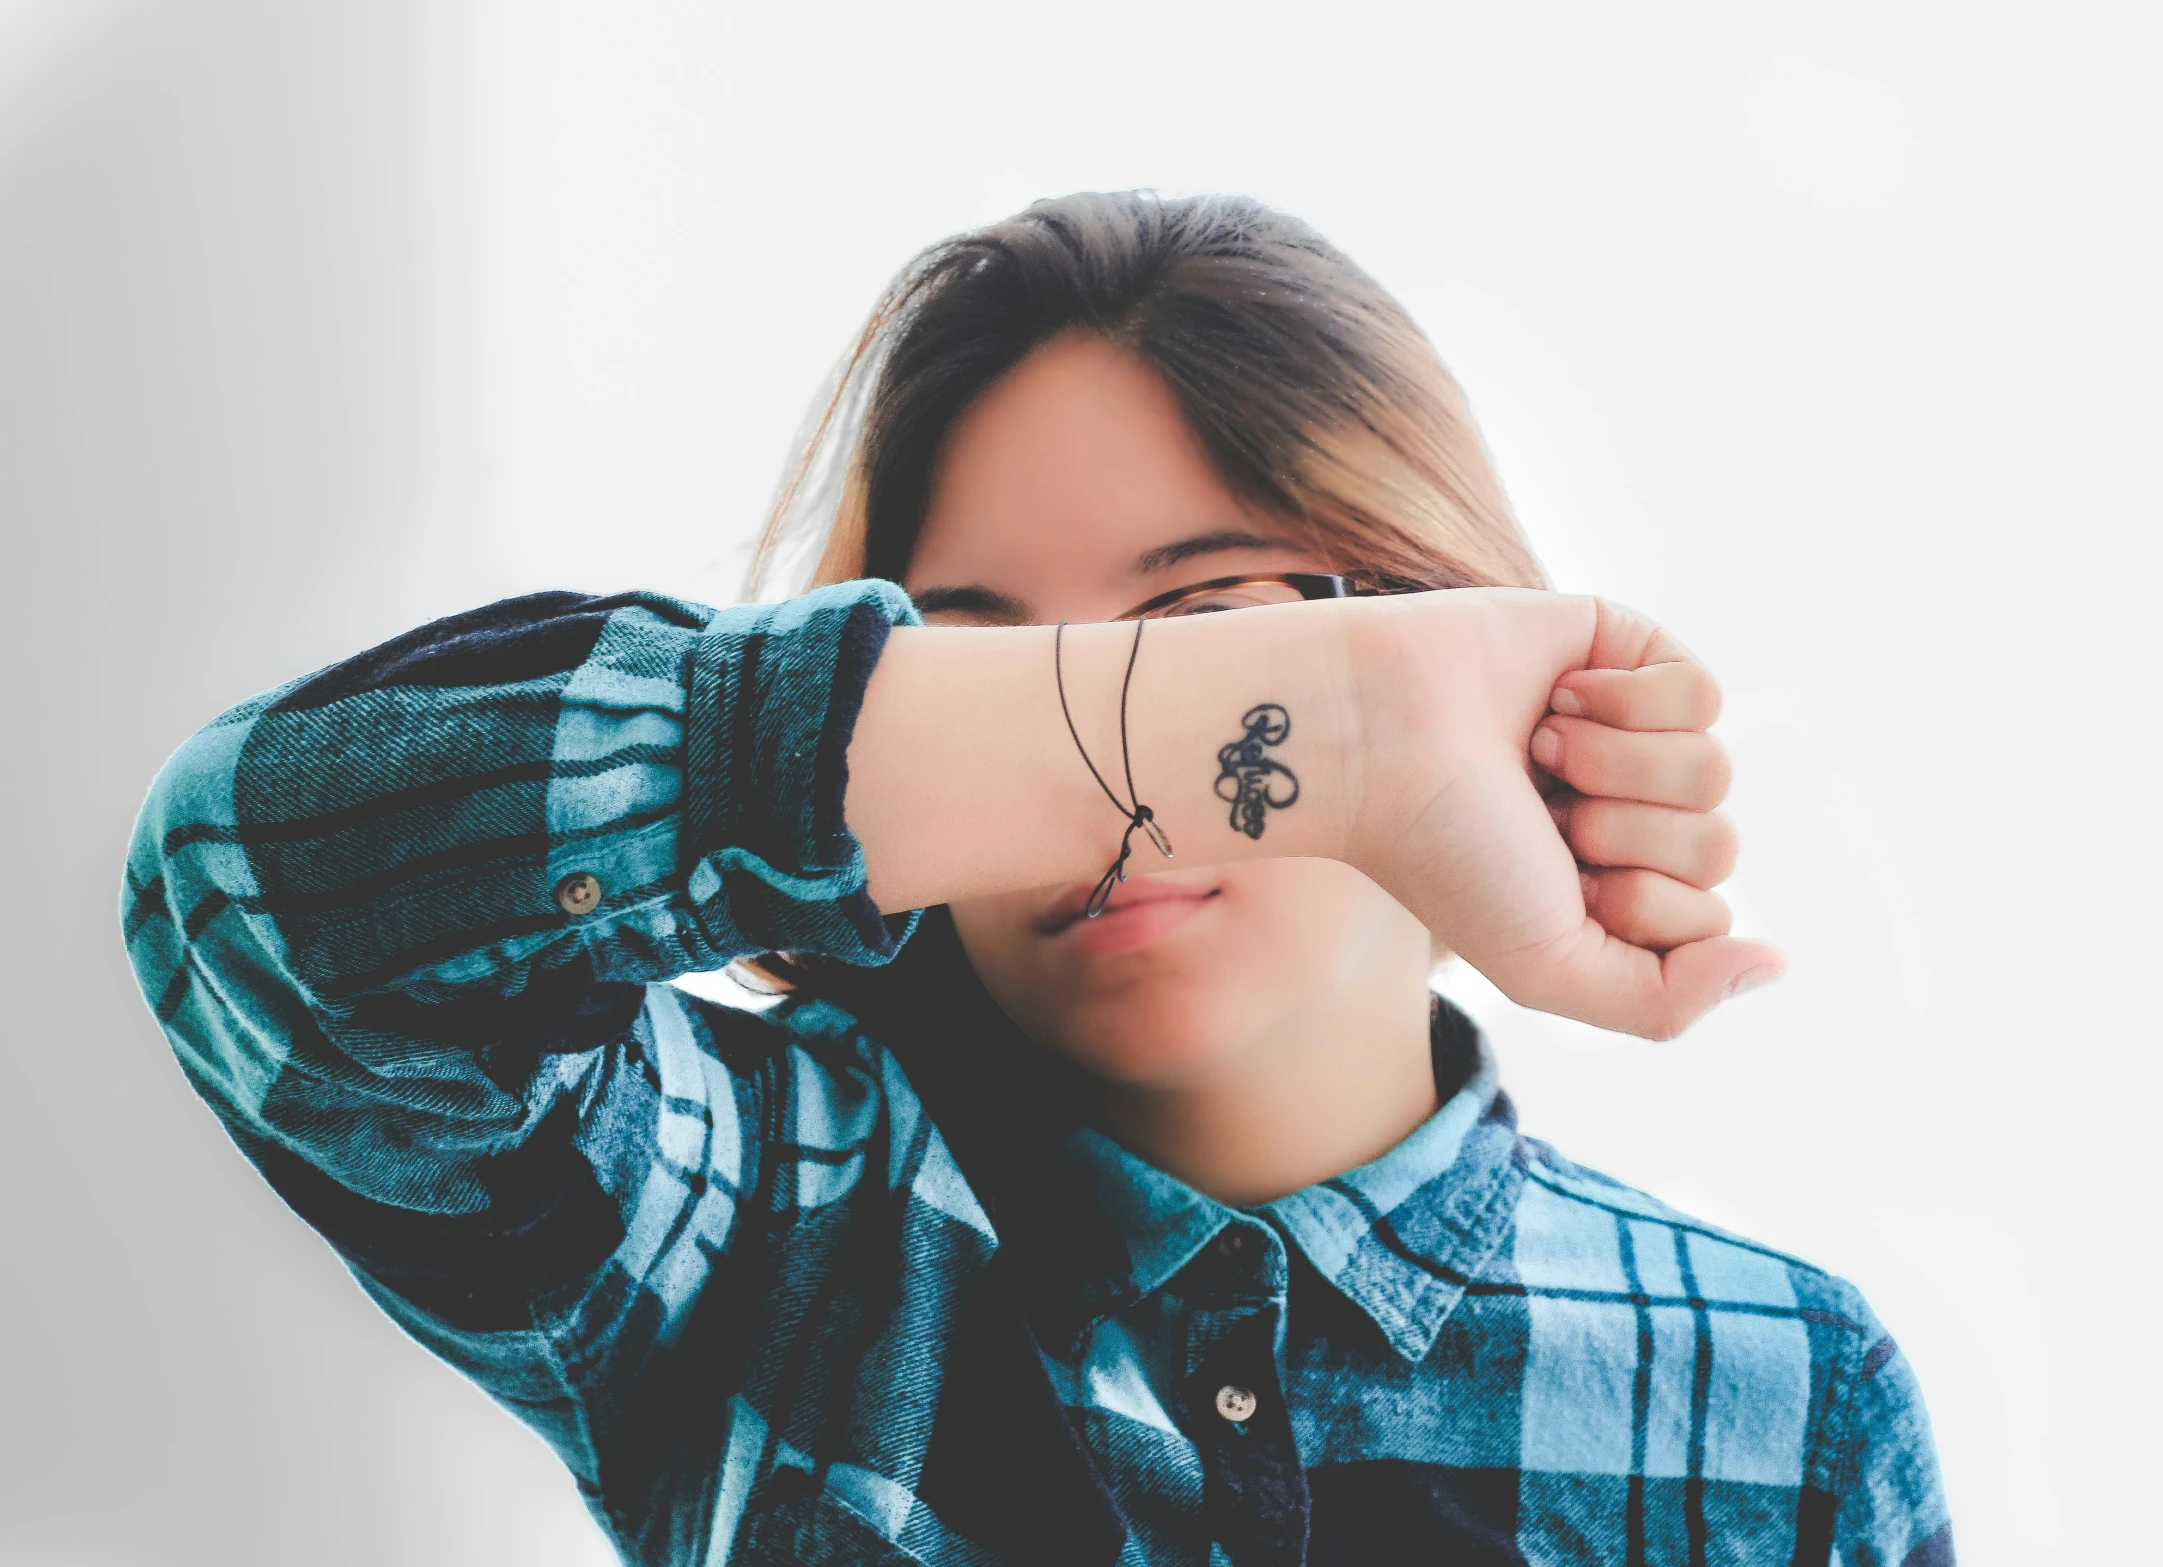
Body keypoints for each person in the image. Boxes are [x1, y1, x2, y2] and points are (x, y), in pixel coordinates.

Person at [122, 191, 1951, 1566]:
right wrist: (1311, 720)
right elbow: (245, 884)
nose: (1111, 803)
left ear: (1449, 628)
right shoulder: (769, 1226)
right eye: (1004, 680)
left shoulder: (1778, 1394)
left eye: (1204, 632)